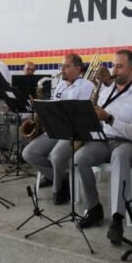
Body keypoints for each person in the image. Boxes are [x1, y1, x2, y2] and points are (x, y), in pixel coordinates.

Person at [73, 50, 132, 244]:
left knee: (120, 155)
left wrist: (108, 118)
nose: (113, 70)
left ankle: (117, 217)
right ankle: (94, 208)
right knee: (80, 158)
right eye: (113, 65)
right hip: (104, 140)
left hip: (131, 144)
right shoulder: (106, 91)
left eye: (119, 66)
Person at [22, 54, 95, 204]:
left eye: (66, 66)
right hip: (55, 129)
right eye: (61, 66)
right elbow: (54, 105)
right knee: (29, 153)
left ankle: (58, 188)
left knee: (56, 156)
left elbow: (80, 114)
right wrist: (41, 107)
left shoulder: (87, 86)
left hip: (73, 132)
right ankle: (62, 177)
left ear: (78, 68)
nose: (62, 70)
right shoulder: (61, 85)